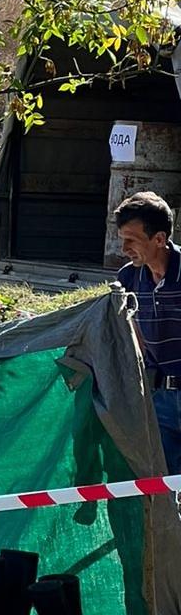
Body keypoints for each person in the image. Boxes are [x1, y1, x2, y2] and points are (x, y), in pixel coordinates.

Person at [115, 191, 181, 475]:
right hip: (159, 400)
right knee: (164, 486)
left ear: (159, 239)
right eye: (122, 240)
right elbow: (129, 331)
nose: (124, 249)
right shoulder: (128, 278)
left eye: (132, 240)